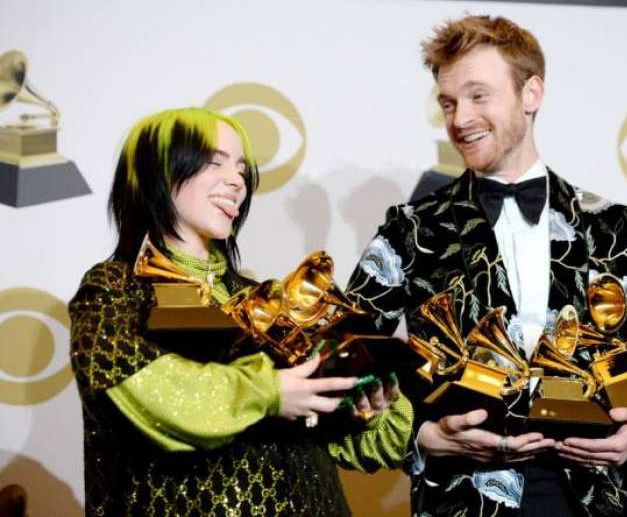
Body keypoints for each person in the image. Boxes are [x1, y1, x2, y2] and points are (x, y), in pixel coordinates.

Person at [345, 15, 627, 516]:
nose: (460, 119)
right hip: (460, 500)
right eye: (448, 103)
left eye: (478, 96)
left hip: (593, 501)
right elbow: (342, 362)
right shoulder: (411, 231)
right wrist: (422, 437)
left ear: (531, 93)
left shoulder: (615, 229)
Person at [69, 107, 412, 516]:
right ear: (157, 172)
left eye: (242, 170)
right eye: (215, 162)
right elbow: (146, 391)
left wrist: (360, 409)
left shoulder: (263, 299)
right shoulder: (115, 288)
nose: (237, 181)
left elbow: (340, 442)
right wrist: (270, 392)